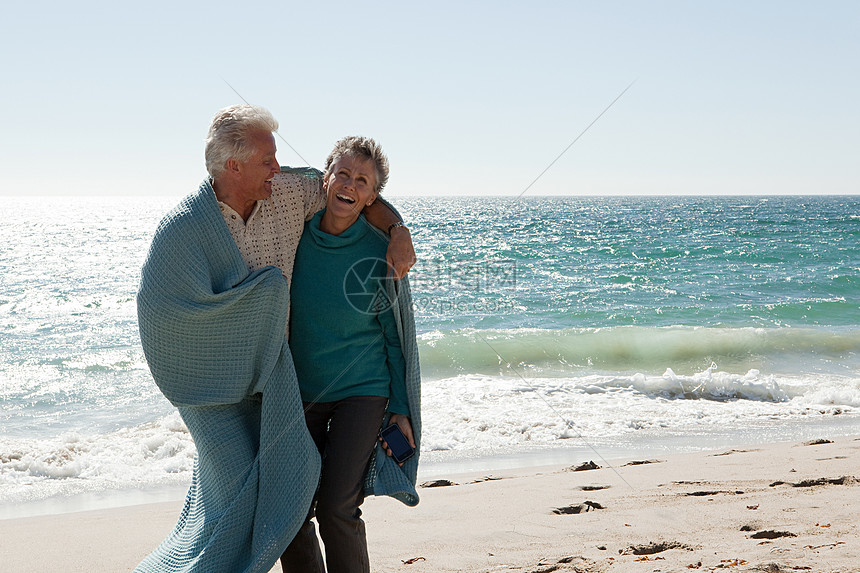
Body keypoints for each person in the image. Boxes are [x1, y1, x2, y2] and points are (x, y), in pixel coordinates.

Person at [135, 106, 415, 573]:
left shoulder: (299, 201)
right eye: (268, 159)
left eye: (277, 158)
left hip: (328, 386)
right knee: (279, 504)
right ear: (234, 166)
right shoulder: (197, 227)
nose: (278, 167)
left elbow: (357, 193)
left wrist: (399, 229)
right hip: (263, 389)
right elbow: (164, 308)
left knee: (334, 506)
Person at [280, 136, 421, 573]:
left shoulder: (377, 253)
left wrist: (400, 407)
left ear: (374, 196)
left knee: (339, 506)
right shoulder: (293, 234)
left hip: (362, 391)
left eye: (362, 181)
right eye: (342, 173)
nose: (349, 185)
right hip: (303, 389)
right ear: (325, 178)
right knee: (291, 511)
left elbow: (394, 338)